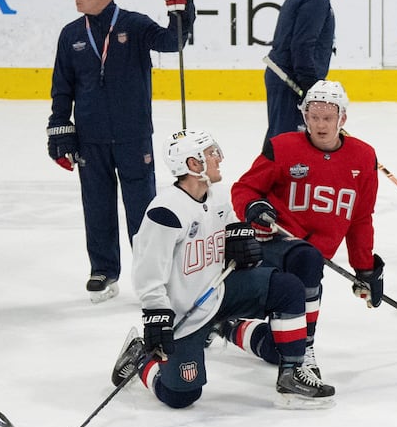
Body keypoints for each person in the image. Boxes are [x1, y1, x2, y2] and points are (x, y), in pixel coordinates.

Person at [108, 130, 331, 410]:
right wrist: (156, 313)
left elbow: (226, 233)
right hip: (186, 312)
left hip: (220, 291)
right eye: (210, 153)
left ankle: (290, 373)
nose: (218, 158)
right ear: (193, 164)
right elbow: (146, 271)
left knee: (287, 290)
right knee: (181, 395)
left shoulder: (215, 198)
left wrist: (239, 241)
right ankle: (140, 358)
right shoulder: (165, 212)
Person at [47, 0, 194, 304]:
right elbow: (61, 88)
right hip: (90, 137)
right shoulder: (71, 34)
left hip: (133, 135)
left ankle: (152, 273)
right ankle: (103, 270)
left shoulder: (134, 24)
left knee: (142, 209)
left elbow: (173, 43)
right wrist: (60, 132)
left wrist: (182, 12)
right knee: (96, 206)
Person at [226, 80, 383, 382]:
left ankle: (225, 327)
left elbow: (361, 217)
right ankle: (305, 351)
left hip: (310, 258)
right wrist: (254, 207)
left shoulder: (363, 158)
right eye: (313, 116)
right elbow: (244, 188)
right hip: (273, 245)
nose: (320, 125)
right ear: (304, 116)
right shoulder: (283, 147)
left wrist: (365, 268)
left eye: (327, 117)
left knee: (278, 347)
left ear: (343, 119)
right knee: (306, 263)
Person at [263, 0, 345, 144]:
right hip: (291, 83)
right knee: (284, 144)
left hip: (289, 81)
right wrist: (312, 89)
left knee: (284, 142)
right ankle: (264, 177)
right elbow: (302, 46)